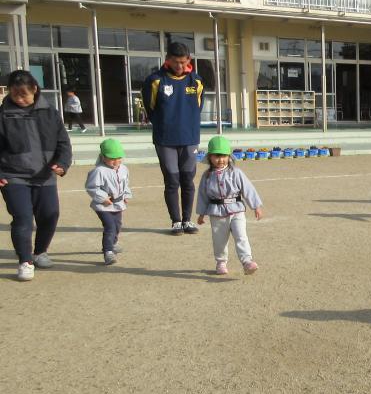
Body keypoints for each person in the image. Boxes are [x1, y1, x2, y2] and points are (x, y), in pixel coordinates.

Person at [0, 70, 72, 282]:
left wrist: (62, 163)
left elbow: (63, 143)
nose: (19, 99)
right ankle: (25, 261)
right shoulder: (3, 114)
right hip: (13, 174)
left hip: (45, 174)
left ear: (35, 90)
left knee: (50, 214)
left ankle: (40, 252)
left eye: (24, 94)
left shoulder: (50, 112)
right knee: (22, 217)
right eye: (15, 95)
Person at [142, 41, 204, 235]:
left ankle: (187, 220)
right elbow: (150, 108)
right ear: (168, 59)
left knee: (188, 179)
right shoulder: (155, 80)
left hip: (190, 137)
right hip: (165, 139)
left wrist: (188, 126)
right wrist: (166, 124)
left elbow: (198, 108)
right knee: (172, 180)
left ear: (189, 61)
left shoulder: (197, 81)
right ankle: (176, 221)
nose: (179, 66)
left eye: (183, 62)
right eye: (176, 62)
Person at [195, 136, 264, 275]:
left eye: (224, 156)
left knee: (241, 236)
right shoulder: (207, 176)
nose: (220, 160)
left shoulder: (236, 172)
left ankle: (247, 261)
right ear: (210, 157)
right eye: (217, 156)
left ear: (229, 156)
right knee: (219, 239)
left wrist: (256, 206)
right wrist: (201, 214)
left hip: (236, 210)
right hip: (216, 212)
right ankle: (221, 262)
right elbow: (202, 195)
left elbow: (247, 188)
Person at [85, 138, 133, 265]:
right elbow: (92, 187)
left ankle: (113, 243)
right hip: (103, 206)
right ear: (103, 157)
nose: (116, 161)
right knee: (110, 227)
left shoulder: (124, 169)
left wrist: (127, 194)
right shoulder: (98, 171)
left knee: (117, 225)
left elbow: (125, 184)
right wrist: (103, 198)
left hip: (118, 204)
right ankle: (108, 252)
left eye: (119, 158)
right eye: (112, 158)